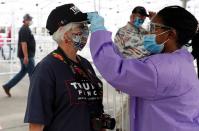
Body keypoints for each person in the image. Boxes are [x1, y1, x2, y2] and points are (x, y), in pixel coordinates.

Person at [88, 5, 199, 131]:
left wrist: (98, 31)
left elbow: (118, 70)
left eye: (154, 28)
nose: (149, 33)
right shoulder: (182, 60)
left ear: (171, 34)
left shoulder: (160, 69)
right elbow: (128, 63)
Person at [24, 4, 104, 131]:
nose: (86, 31)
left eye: (86, 26)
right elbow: (36, 124)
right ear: (65, 34)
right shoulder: (46, 69)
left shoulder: (86, 65)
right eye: (81, 26)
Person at [2, 14, 35, 97]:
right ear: (26, 20)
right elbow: (23, 43)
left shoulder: (26, 29)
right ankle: (35, 93)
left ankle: (7, 86)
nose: (31, 21)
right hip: (27, 56)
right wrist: (26, 56)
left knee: (23, 72)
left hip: (26, 55)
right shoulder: (24, 30)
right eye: (30, 19)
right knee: (33, 74)